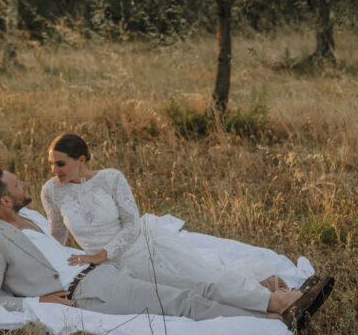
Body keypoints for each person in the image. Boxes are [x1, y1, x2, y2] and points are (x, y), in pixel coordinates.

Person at [0, 165, 330, 328]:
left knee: (187, 285)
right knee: (183, 304)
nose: (23, 185)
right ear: (4, 202)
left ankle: (273, 307)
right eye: (16, 185)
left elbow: (55, 245)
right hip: (86, 291)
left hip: (103, 270)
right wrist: (37, 301)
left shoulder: (25, 219)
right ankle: (276, 318)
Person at [40, 132, 333, 320]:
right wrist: (50, 267)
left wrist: (100, 253)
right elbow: (57, 234)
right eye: (51, 164)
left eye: (60, 164)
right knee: (190, 294)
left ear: (81, 160)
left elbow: (131, 225)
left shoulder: (110, 178)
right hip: (115, 266)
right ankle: (274, 311)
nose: (54, 171)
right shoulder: (51, 191)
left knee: (205, 277)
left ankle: (278, 301)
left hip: (140, 244)